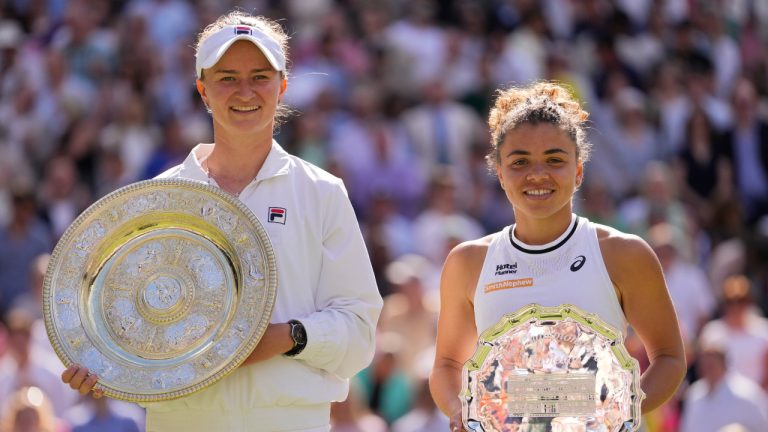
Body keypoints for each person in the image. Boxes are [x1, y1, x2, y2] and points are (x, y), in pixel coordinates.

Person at [61, 10, 383, 432]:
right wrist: (101, 364)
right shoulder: (160, 196)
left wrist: (286, 337)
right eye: (227, 77)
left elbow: (359, 332)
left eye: (260, 76)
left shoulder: (322, 192)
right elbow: (129, 321)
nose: (244, 91)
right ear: (203, 90)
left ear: (282, 86)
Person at [429, 82, 686, 431]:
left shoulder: (624, 253)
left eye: (555, 159)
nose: (538, 174)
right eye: (520, 162)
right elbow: (446, 364)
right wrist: (462, 412)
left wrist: (611, 413)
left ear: (578, 171)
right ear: (500, 174)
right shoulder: (467, 263)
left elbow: (670, 358)